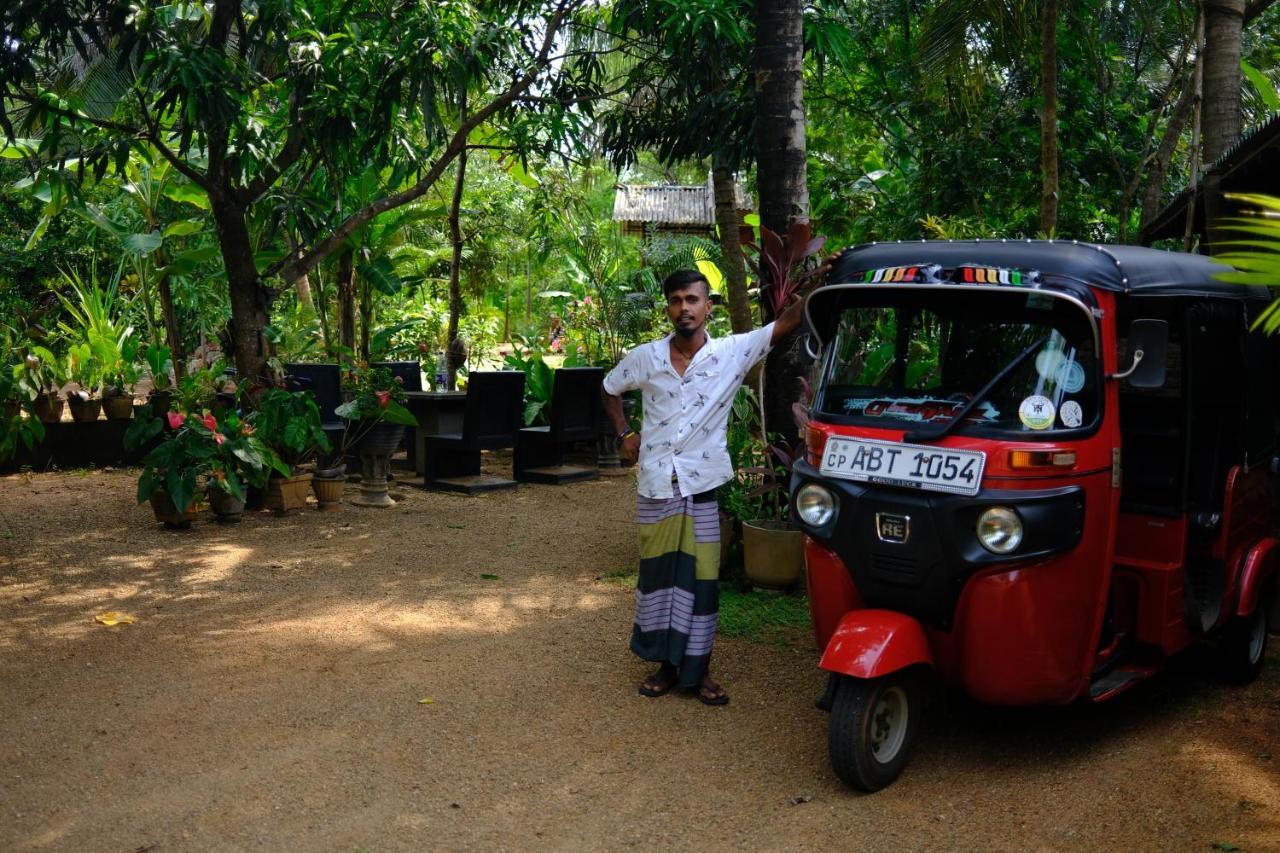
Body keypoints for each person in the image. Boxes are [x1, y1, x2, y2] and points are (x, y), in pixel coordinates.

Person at [601, 267, 814, 705]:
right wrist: (625, 433)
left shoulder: (732, 353)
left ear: (708, 306)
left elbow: (788, 321)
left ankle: (699, 670)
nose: (685, 308)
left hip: (700, 486)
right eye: (677, 300)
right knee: (659, 577)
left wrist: (818, 284)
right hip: (657, 483)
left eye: (693, 300)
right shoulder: (646, 357)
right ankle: (664, 666)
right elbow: (609, 388)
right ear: (668, 308)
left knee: (700, 581)